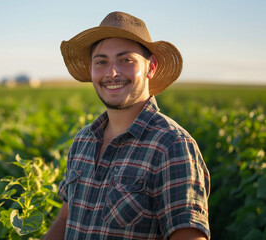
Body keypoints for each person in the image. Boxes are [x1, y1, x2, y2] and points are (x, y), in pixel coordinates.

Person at [44, 11, 210, 240]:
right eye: (101, 62)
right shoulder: (83, 141)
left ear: (151, 67)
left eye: (126, 60)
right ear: (92, 70)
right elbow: (65, 221)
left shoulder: (171, 146)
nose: (112, 73)